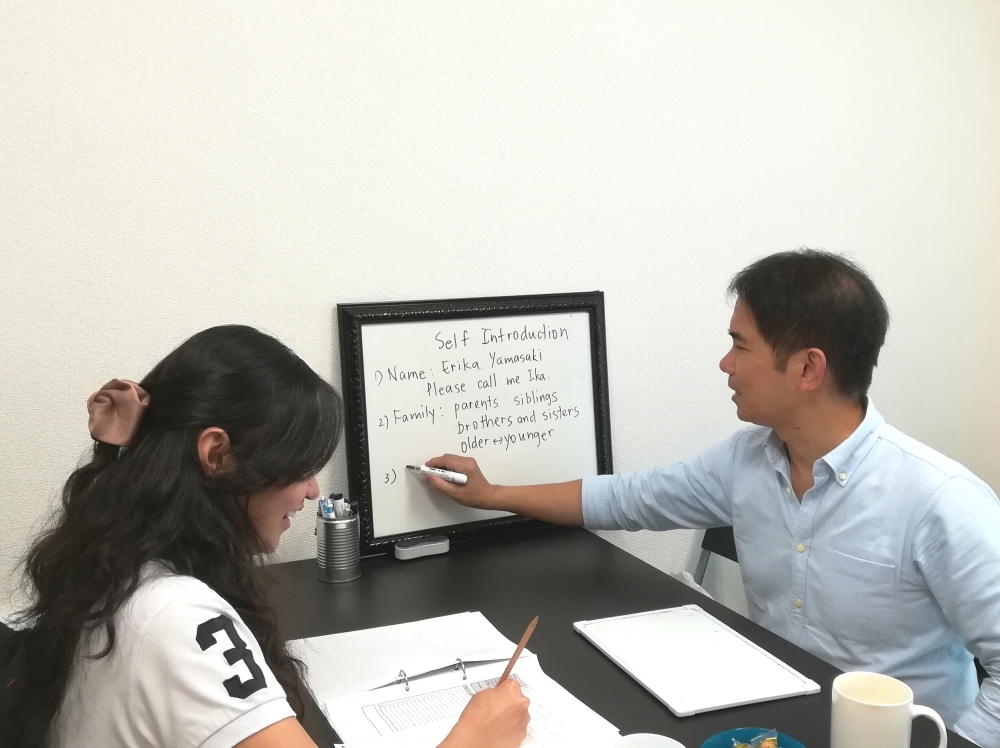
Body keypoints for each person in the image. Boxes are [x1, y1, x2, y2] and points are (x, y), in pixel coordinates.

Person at [424, 250, 1000, 748]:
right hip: (776, 726)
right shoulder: (747, 460)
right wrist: (491, 494)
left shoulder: (940, 501)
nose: (725, 364)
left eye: (739, 346)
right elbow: (627, 499)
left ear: (808, 368)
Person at [12, 325, 529, 748]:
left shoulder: (113, 563)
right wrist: (476, 739)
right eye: (299, 467)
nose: (311, 491)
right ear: (217, 455)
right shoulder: (176, 618)